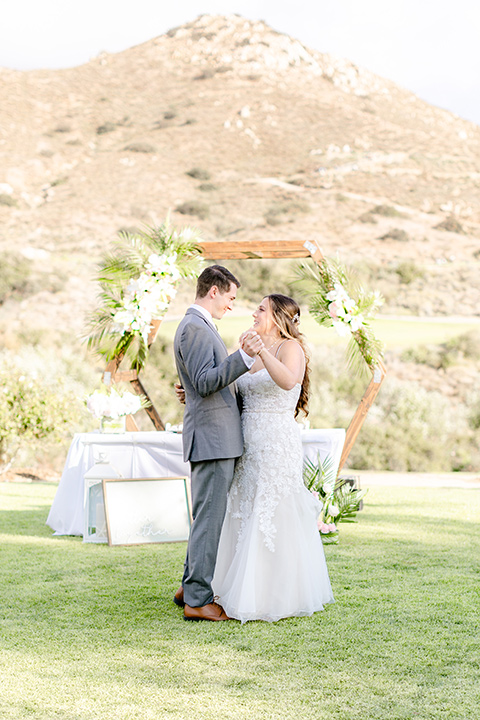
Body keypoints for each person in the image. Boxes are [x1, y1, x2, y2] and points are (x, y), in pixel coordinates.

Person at [212, 293, 334, 623]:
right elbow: (234, 386)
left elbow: (287, 381)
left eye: (261, 309)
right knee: (244, 505)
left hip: (276, 441)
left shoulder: (289, 348)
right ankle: (232, 586)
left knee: (273, 507)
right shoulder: (254, 351)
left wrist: (262, 349)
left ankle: (275, 594)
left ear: (278, 317)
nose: (253, 313)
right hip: (248, 441)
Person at [173, 265, 264, 621]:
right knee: (209, 519)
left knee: (206, 518)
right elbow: (206, 381)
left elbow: (197, 382)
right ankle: (197, 599)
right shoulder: (194, 328)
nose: (232, 305)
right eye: (230, 297)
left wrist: (191, 389)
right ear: (214, 292)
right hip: (212, 439)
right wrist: (243, 358)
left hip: (216, 437)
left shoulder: (199, 326)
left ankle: (188, 586)